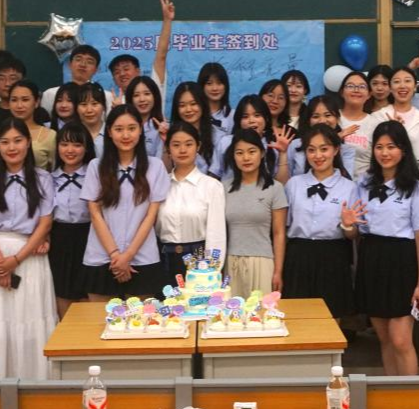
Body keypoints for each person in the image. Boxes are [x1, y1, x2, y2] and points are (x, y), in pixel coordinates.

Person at [0, 119, 58, 380]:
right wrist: (0, 264)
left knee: (30, 317)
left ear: (28, 143)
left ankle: (35, 384)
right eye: (5, 142)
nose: (12, 147)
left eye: (17, 141)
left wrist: (16, 259)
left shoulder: (42, 178)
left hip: (30, 255)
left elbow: (45, 222)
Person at [354, 121, 419, 376]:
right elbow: (354, 230)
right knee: (385, 338)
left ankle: (410, 395)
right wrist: (347, 224)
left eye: (391, 146)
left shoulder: (416, 187)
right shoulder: (363, 183)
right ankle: (391, 392)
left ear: (403, 149)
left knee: (401, 339)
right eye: (379, 147)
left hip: (403, 261)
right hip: (372, 257)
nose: (385, 152)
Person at [81, 105, 171, 301]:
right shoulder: (96, 166)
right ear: (109, 132)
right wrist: (116, 255)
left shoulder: (155, 167)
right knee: (98, 318)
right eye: (119, 129)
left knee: (141, 318)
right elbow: (95, 214)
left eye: (132, 128)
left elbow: (151, 216)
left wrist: (128, 255)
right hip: (102, 256)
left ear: (140, 130)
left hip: (142, 257)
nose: (125, 135)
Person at [282, 124, 362, 319]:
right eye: (311, 150)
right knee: (296, 317)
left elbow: (353, 235)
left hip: (333, 256)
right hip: (298, 256)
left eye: (324, 149)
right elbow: (283, 228)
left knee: (332, 318)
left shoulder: (349, 187)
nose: (318, 155)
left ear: (336, 150)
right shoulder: (294, 184)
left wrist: (348, 225)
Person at [357, 66, 419, 181]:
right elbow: (365, 155)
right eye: (397, 82)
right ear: (390, 88)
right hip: (383, 183)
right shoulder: (377, 118)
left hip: (418, 183)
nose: (402, 85)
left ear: (415, 87)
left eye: (407, 81)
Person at [222, 128, 288, 298]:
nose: (246, 158)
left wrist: (278, 271)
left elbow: (279, 233)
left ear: (262, 153)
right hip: (231, 261)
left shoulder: (275, 188)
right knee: (231, 312)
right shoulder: (223, 188)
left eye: (252, 151)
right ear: (233, 156)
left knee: (262, 312)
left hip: (263, 262)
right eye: (239, 153)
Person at [157, 122, 227, 279]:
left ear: (198, 147)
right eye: (176, 145)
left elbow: (216, 234)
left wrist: (212, 271)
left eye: (189, 144)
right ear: (168, 149)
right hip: (164, 260)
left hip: (200, 261)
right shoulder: (160, 185)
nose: (182, 150)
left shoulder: (211, 186)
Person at [49, 124, 97, 318]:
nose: (70, 150)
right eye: (64, 144)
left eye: (77, 145)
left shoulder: (95, 176)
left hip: (88, 237)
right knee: (61, 292)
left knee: (87, 294)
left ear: (86, 148)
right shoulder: (49, 178)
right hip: (59, 239)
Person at [108, 0, 174, 95]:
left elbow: (161, 56)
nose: (122, 74)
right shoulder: (112, 102)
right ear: (113, 79)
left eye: (126, 69)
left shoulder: (152, 92)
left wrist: (167, 20)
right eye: (116, 72)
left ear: (138, 71)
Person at [283, 95, 358, 180]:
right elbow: (286, 179)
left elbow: (346, 180)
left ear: (337, 118)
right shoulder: (296, 145)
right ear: (309, 120)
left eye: (328, 115)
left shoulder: (346, 150)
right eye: (316, 116)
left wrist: (334, 141)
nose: (322, 121)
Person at [0, 79, 57, 170]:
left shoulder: (50, 135)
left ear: (36, 102)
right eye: (14, 100)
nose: (19, 105)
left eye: (25, 100)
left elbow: (55, 168)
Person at [164, 81, 228, 178]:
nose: (188, 109)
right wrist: (166, 143)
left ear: (202, 104)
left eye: (193, 104)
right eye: (182, 105)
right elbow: (165, 172)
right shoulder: (170, 134)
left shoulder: (219, 136)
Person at [41, 45, 116, 113]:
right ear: (70, 65)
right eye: (78, 59)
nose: (83, 64)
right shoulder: (50, 95)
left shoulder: (106, 97)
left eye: (89, 62)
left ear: (96, 70)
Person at [126, 75, 166, 159]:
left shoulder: (163, 128)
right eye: (136, 95)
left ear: (155, 96)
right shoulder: (124, 126)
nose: (142, 99)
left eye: (147, 94)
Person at [74, 82, 109, 159]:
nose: (89, 110)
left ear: (104, 106)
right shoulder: (71, 134)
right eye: (83, 104)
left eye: (94, 104)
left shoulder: (112, 133)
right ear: (76, 108)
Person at [199, 62, 234, 135]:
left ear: (225, 86)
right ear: (202, 86)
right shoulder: (196, 114)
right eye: (209, 83)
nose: (215, 88)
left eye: (219, 83)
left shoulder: (233, 115)